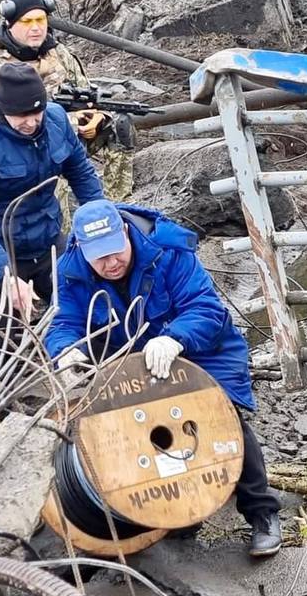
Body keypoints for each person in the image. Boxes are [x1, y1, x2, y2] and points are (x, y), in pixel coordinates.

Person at [44, 200, 283, 557]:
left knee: (219, 416)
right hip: (128, 359)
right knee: (135, 429)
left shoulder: (168, 250)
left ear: (126, 232)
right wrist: (65, 350)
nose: (111, 263)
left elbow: (205, 307)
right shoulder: (70, 272)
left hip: (202, 348)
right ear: (81, 249)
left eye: (115, 250)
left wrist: (175, 338)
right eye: (100, 258)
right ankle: (175, 511)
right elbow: (63, 323)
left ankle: (262, 513)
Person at [0, 63, 104, 317]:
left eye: (37, 113)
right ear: (4, 110)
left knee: (86, 310)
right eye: (22, 116)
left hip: (46, 239)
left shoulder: (56, 119)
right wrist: (7, 275)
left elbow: (82, 174)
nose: (32, 123)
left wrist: (100, 221)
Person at [0, 0, 134, 204]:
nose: (36, 28)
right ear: (10, 24)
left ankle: (116, 205)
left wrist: (97, 115)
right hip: (22, 149)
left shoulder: (57, 51)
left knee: (119, 126)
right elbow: (6, 122)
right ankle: (59, 223)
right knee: (51, 160)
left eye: (40, 20)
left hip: (68, 134)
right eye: (27, 21)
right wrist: (71, 122)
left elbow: (84, 91)